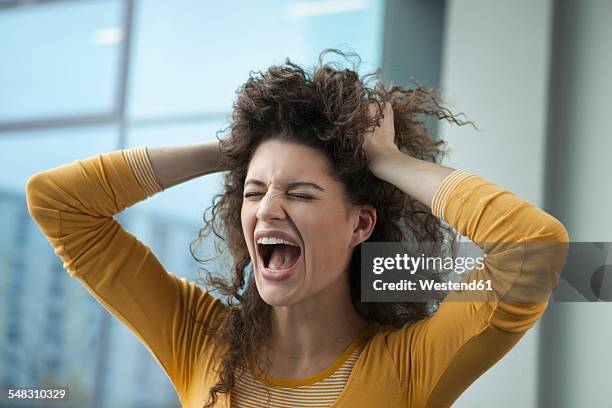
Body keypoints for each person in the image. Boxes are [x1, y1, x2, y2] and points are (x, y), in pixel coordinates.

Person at [26, 50, 569, 408]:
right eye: (255, 191)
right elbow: (58, 204)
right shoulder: (196, 338)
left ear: (360, 223)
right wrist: (232, 150)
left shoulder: (408, 366)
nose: (267, 210)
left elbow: (533, 247)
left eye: (301, 194)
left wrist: (386, 160)